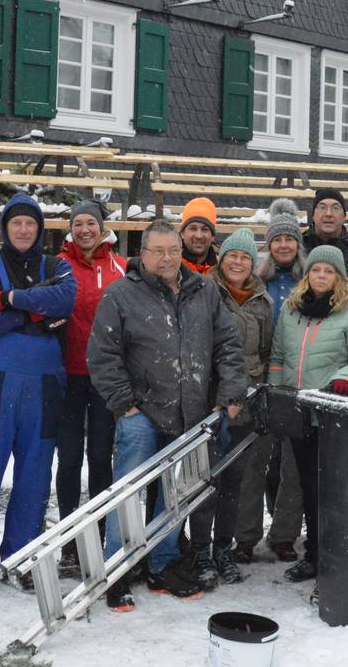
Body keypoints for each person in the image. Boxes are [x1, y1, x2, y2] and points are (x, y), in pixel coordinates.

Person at [87, 218, 247, 611]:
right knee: (129, 490)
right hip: (140, 412)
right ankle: (117, 570)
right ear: (142, 255)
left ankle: (162, 562)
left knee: (176, 494)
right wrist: (124, 403)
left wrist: (229, 391)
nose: (167, 258)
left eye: (173, 251)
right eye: (158, 251)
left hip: (190, 413)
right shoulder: (122, 295)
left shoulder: (203, 290)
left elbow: (228, 343)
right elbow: (102, 355)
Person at [0, 194, 77, 601]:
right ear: (5, 228)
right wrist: (30, 315)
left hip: (43, 388)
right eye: (16, 223)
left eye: (31, 223)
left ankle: (21, 558)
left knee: (34, 480)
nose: (24, 230)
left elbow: (64, 300)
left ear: (40, 229)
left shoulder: (57, 267)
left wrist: (7, 301)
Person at [268, 245, 348, 588]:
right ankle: (316, 554)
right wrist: (276, 396)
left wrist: (347, 378)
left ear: (339, 277)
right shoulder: (291, 310)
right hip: (298, 414)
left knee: (332, 490)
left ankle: (336, 554)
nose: (321, 276)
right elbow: (278, 358)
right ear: (307, 274)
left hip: (334, 413)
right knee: (308, 487)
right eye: (315, 270)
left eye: (328, 271)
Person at [188, 228, 274, 589]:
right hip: (210, 401)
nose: (237, 262)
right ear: (221, 260)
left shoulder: (262, 301)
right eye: (231, 256)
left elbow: (267, 352)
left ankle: (224, 547)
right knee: (204, 480)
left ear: (253, 263)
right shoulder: (202, 291)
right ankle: (200, 551)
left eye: (244, 257)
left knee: (234, 481)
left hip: (246, 402)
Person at [54, 200, 126, 576]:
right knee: (68, 459)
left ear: (102, 227)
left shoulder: (120, 267)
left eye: (91, 223)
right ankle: (68, 540)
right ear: (71, 228)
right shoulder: (57, 265)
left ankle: (97, 535)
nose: (84, 229)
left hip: (104, 376)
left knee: (100, 458)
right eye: (78, 223)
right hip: (67, 374)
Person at [234, 198, 304, 565]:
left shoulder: (311, 282)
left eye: (289, 240)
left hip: (295, 380)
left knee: (292, 467)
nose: (283, 246)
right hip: (260, 381)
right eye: (277, 240)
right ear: (269, 245)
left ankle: (284, 535)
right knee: (254, 463)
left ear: (297, 244)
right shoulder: (257, 282)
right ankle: (244, 536)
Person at [302, 188, 348, 267]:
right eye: (322, 207)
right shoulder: (297, 253)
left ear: (344, 216)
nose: (328, 214)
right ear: (313, 215)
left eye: (335, 208)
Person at [180, 196, 218, 274]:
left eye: (205, 229)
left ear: (213, 236)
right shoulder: (170, 267)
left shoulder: (220, 273)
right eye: (193, 229)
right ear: (182, 233)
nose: (199, 236)